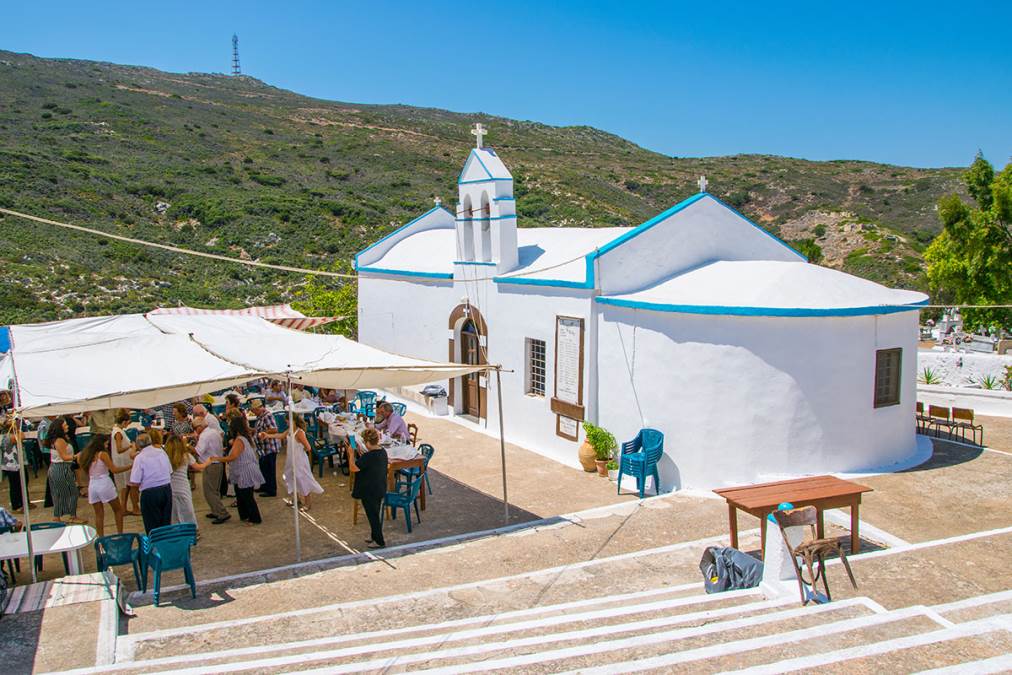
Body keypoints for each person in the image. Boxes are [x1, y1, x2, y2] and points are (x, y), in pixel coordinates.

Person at [259, 414, 323, 511]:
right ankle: (296, 499)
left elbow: (308, 447)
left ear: (292, 421)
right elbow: (280, 435)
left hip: (299, 460)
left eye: (287, 421)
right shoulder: (290, 430)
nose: (286, 422)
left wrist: (300, 450)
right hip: (291, 459)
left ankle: (307, 503)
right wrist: (267, 435)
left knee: (302, 479)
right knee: (290, 476)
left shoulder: (299, 432)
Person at [215, 414, 263, 525]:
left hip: (244, 472)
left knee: (247, 496)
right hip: (241, 471)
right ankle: (245, 515)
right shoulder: (242, 438)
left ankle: (254, 518)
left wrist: (218, 459)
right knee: (241, 494)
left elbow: (233, 456)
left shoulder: (240, 440)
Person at [79, 434, 130, 537]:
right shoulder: (102, 454)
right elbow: (114, 470)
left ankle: (100, 537)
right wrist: (130, 466)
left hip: (92, 485)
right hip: (104, 483)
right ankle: (120, 534)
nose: (107, 446)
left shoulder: (84, 455)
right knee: (118, 510)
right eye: (106, 444)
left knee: (99, 514)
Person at [128, 428, 173, 534]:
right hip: (166, 489)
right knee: (165, 521)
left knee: (152, 524)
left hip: (150, 493)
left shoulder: (140, 457)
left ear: (138, 445)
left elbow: (135, 481)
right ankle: (165, 545)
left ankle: (155, 547)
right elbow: (170, 471)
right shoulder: (162, 452)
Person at [353, 428, 388, 549]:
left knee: (372, 515)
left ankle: (379, 541)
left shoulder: (368, 457)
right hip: (379, 487)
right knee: (374, 513)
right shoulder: (383, 452)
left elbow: (354, 468)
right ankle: (374, 536)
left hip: (369, 490)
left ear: (368, 442)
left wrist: (350, 453)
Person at [164, 435, 209, 528]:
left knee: (173, 511)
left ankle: (176, 529)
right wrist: (208, 461)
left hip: (170, 487)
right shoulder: (186, 456)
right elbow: (199, 467)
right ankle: (192, 530)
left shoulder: (165, 457)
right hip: (183, 486)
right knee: (187, 509)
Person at [47, 416, 86, 524]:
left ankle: (57, 516)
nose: (67, 426)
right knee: (72, 492)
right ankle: (72, 516)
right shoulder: (59, 440)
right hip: (61, 467)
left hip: (58, 468)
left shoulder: (60, 439)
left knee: (57, 493)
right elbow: (64, 457)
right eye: (65, 425)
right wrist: (76, 456)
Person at [193, 413, 229, 524]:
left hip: (211, 465)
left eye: (195, 428)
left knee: (210, 491)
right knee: (215, 490)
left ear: (199, 427)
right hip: (218, 463)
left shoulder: (204, 436)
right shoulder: (213, 431)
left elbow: (198, 451)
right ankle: (215, 510)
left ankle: (222, 512)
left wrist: (188, 447)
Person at [110, 409, 139, 516]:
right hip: (124, 462)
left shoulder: (117, 430)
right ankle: (135, 507)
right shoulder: (118, 432)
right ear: (124, 421)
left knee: (126, 486)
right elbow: (119, 449)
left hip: (123, 460)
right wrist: (130, 445)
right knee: (131, 486)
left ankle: (123, 508)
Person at [250, 400, 280, 498]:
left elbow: (274, 429)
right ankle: (264, 486)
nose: (253, 413)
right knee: (263, 468)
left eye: (254, 410)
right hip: (263, 448)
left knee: (269, 470)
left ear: (259, 408)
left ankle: (271, 490)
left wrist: (262, 433)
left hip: (269, 447)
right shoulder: (260, 417)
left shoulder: (267, 416)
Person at [1, 417, 26, 513]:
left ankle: (22, 503)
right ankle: (16, 506)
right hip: (11, 465)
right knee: (15, 485)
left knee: (19, 483)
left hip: (15, 463)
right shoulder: (9, 436)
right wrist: (18, 428)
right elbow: (22, 437)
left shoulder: (8, 435)